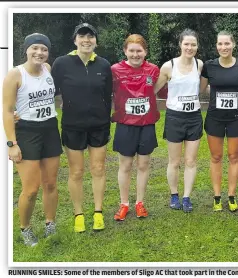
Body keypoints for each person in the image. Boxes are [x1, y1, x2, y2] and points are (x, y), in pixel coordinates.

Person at [51, 23, 112, 232]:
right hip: (72, 126)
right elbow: (50, 90)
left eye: (90, 36)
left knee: (98, 169)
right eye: (82, 36)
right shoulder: (61, 63)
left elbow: (108, 95)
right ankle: (78, 214)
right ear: (75, 40)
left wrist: (106, 117)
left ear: (96, 41)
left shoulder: (103, 65)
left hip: (99, 126)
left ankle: (98, 212)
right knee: (76, 172)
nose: (86, 40)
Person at [3, 33, 62, 246]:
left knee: (51, 183)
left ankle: (50, 223)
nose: (39, 53)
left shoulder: (48, 70)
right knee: (31, 188)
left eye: (44, 49)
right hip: (27, 132)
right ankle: (25, 229)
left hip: (49, 128)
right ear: (26, 50)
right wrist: (12, 144)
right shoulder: (15, 75)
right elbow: (8, 110)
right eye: (35, 48)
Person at [200, 30, 238, 212]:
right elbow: (200, 89)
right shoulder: (209, 66)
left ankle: (231, 195)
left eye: (227, 44)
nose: (224, 47)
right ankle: (217, 197)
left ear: (233, 45)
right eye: (220, 44)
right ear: (216, 46)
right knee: (216, 157)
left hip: (236, 119)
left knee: (234, 156)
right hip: (215, 118)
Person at [110, 34, 161, 221]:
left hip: (146, 125)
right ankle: (124, 204)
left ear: (145, 52)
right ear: (125, 51)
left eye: (139, 50)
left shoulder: (154, 70)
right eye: (131, 50)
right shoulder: (115, 70)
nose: (135, 54)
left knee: (143, 164)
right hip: (125, 125)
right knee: (125, 165)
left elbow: (163, 89)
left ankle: (140, 202)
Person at [157, 29, 203, 213]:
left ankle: (186, 197)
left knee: (191, 161)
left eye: (193, 44)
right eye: (186, 44)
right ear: (180, 45)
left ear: (197, 46)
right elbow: (154, 90)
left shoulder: (199, 65)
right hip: (175, 117)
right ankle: (174, 194)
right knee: (174, 161)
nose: (189, 48)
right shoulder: (168, 66)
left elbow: (201, 87)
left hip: (194, 117)